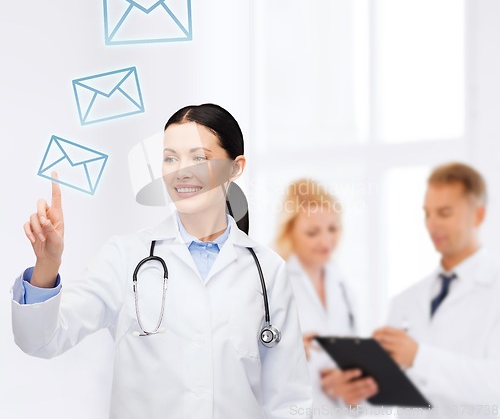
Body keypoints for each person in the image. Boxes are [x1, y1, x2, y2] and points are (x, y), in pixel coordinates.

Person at [11, 103, 313, 419]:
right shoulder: (125, 256)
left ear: (235, 168)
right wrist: (47, 265)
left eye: (199, 158)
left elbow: (289, 400)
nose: (181, 171)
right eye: (170, 158)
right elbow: (41, 341)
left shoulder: (267, 270)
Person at [374, 162, 500, 413]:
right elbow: (386, 398)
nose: (432, 225)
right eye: (427, 213)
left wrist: (419, 358)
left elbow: (494, 383)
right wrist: (360, 387)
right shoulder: (406, 300)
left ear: (479, 215)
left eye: (444, 213)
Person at [274, 178, 377, 415]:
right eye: (312, 232)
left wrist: (346, 385)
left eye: (333, 229)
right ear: (290, 232)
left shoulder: (342, 286)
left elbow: (348, 359)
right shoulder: (274, 285)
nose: (326, 241)